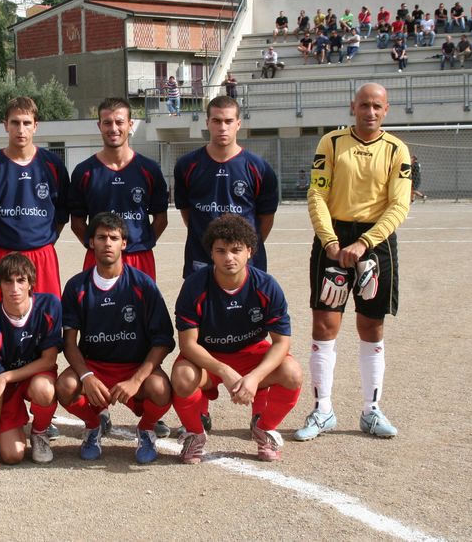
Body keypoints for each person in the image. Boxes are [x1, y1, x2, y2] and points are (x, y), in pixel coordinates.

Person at [296, 82, 411, 443]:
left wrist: (364, 243)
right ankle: (323, 410)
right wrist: (330, 240)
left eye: (377, 106)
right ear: (353, 106)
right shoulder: (330, 143)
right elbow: (317, 193)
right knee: (324, 324)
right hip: (333, 236)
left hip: (375, 242)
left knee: (371, 326)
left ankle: (371, 410)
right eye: (364, 105)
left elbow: (399, 205)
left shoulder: (397, 150)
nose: (370, 112)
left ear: (386, 110)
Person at [170, 214, 302, 464]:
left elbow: (281, 342)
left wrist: (255, 377)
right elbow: (187, 344)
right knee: (182, 376)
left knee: (292, 372)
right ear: (211, 253)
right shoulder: (194, 286)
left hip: (251, 354)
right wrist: (224, 371)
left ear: (249, 251)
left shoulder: (267, 286)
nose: (228, 258)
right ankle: (195, 433)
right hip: (209, 359)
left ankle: (264, 428)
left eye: (236, 250)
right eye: (221, 251)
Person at [57, 213, 175, 464]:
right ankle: (93, 426)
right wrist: (87, 376)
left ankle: (146, 429)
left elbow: (163, 340)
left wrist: (136, 380)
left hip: (134, 366)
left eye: (113, 237)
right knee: (65, 386)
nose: (107, 243)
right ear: (91, 242)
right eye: (101, 237)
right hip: (95, 367)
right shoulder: (77, 286)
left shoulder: (143, 284)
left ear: (124, 243)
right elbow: (69, 342)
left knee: (161, 389)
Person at [0, 96, 69, 310]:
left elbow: (62, 213)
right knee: (0, 320)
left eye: (26, 123)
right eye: (15, 122)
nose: (21, 129)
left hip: (41, 255)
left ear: (35, 125)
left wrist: (44, 240)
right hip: (1, 255)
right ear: (5, 125)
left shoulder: (53, 165)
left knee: (46, 318)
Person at [0, 253, 62, 469]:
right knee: (12, 456)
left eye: (21, 280)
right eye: (8, 281)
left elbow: (49, 360)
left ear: (31, 283)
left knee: (44, 390)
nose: (15, 288)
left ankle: (39, 432)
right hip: (6, 389)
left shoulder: (49, 305)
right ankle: (8, 429)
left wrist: (6, 376)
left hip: (34, 375)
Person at [174, 95, 278, 278]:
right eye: (216, 121)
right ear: (207, 123)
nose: (222, 127)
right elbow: (187, 212)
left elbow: (266, 218)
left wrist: (244, 247)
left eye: (228, 121)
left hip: (246, 264)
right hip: (200, 258)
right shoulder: (187, 165)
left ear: (238, 124)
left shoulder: (259, 168)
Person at [68, 97, 169, 279]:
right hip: (98, 258)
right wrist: (98, 246)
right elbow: (77, 223)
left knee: (142, 299)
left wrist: (141, 243)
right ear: (99, 126)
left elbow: (161, 219)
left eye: (119, 122)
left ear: (130, 125)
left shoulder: (150, 169)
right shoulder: (84, 172)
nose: (113, 128)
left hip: (139, 257)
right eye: (107, 123)